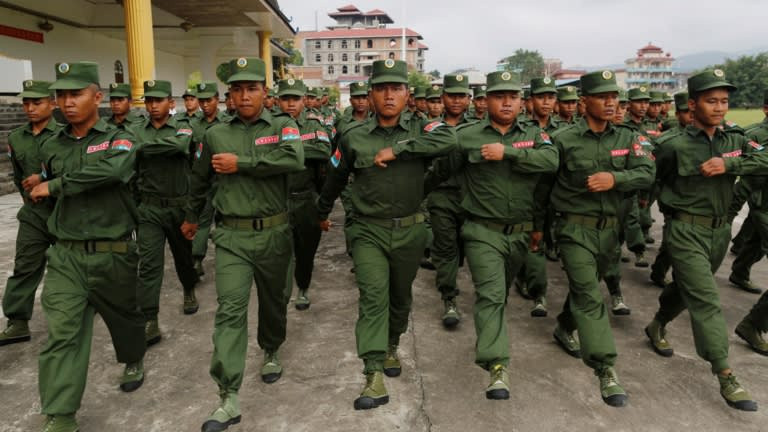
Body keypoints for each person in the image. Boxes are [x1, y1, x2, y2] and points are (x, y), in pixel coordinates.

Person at [316, 59, 457, 410]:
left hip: (410, 231)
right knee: (373, 297)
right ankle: (373, 372)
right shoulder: (352, 136)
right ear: (370, 94)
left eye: (396, 88)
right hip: (368, 231)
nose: (389, 95)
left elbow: (450, 140)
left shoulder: (426, 128)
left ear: (408, 94)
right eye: (381, 88)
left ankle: (393, 343)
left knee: (400, 298)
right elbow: (335, 176)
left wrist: (399, 149)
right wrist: (320, 212)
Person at [182, 57, 304, 432]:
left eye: (252, 88)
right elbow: (200, 180)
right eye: (238, 89)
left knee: (273, 301)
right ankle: (227, 395)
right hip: (232, 235)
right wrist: (191, 217)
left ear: (265, 94)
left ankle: (270, 349)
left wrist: (243, 163)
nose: (245, 95)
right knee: (230, 311)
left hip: (274, 232)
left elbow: (293, 159)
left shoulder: (285, 126)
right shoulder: (214, 134)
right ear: (229, 96)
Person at [30, 61, 146, 432]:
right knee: (62, 334)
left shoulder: (120, 139)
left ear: (98, 97)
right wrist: (46, 185)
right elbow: (45, 188)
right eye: (60, 95)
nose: (66, 102)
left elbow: (112, 172)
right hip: (66, 255)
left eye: (75, 94)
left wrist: (57, 185)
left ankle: (132, 357)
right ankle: (61, 415)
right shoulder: (51, 145)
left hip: (113, 253)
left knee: (125, 318)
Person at [645, 69, 768, 412]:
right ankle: (725, 372)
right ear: (693, 103)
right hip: (684, 231)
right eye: (711, 101)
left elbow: (763, 159)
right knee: (706, 300)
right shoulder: (672, 145)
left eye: (724, 102)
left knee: (686, 290)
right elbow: (648, 176)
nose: (719, 108)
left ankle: (657, 323)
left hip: (719, 232)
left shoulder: (736, 139)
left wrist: (730, 166)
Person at [447, 70, 558, 398]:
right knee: (491, 295)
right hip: (481, 231)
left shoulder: (536, 136)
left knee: (502, 292)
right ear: (485, 100)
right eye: (499, 95)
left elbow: (551, 161)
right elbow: (442, 171)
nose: (506, 101)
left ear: (522, 102)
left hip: (520, 234)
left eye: (513, 96)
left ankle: (493, 338)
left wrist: (507, 153)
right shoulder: (465, 136)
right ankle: (497, 365)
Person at [549, 70, 655, 407]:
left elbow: (647, 171)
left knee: (585, 287)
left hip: (610, 229)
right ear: (584, 102)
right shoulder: (564, 140)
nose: (611, 103)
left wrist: (615, 178)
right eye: (603, 97)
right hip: (573, 228)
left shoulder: (629, 137)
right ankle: (605, 367)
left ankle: (564, 326)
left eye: (615, 97)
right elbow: (544, 187)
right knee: (590, 294)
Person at [131, 79, 200, 347]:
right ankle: (150, 318)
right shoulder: (138, 129)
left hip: (179, 206)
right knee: (148, 265)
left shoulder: (183, 126)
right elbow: (132, 162)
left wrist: (142, 148)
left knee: (183, 257)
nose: (152, 105)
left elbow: (181, 147)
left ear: (171, 103)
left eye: (158, 100)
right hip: (149, 208)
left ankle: (189, 288)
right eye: (149, 100)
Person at [0, 80, 60, 346]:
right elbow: (17, 174)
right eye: (26, 103)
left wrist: (44, 178)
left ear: (52, 103)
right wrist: (28, 196)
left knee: (72, 267)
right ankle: (18, 321)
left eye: (37, 102)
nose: (30, 108)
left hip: (63, 212)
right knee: (25, 266)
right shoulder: (16, 137)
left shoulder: (65, 135)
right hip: (34, 215)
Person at [276, 77, 331, 310]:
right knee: (280, 250)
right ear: (278, 101)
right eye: (286, 98)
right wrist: (304, 150)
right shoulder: (269, 125)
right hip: (278, 199)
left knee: (306, 249)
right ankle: (283, 290)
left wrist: (288, 150)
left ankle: (303, 287)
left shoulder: (314, 125)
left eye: (295, 99)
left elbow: (324, 150)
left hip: (306, 198)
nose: (291, 104)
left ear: (303, 101)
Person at [427, 74, 473, 328]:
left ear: (468, 99)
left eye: (461, 96)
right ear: (443, 98)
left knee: (465, 248)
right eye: (451, 95)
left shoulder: (478, 128)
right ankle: (449, 297)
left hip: (471, 198)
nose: (456, 100)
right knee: (445, 249)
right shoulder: (429, 128)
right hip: (441, 196)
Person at [190, 81, 231, 276]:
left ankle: (229, 259)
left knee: (225, 221)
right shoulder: (192, 124)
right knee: (203, 220)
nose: (205, 105)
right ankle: (197, 258)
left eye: (209, 100)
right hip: (203, 180)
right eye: (202, 101)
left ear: (217, 100)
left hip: (224, 180)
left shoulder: (228, 122)